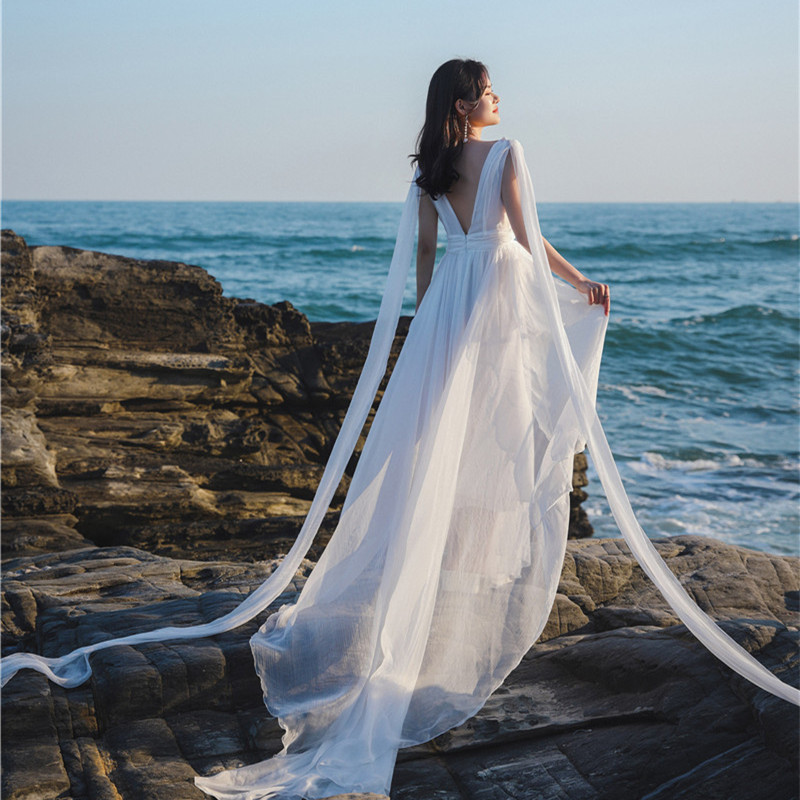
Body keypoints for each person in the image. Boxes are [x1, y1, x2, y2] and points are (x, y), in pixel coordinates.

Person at [2, 59, 797, 800]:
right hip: (499, 301)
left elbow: (428, 258)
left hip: (452, 305)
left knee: (434, 454)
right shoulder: (509, 151)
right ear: (465, 105)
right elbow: (522, 239)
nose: (498, 100)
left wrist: (432, 328)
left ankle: (426, 581)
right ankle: (466, 586)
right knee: (504, 441)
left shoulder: (428, 175)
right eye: (487, 91)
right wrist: (579, 283)